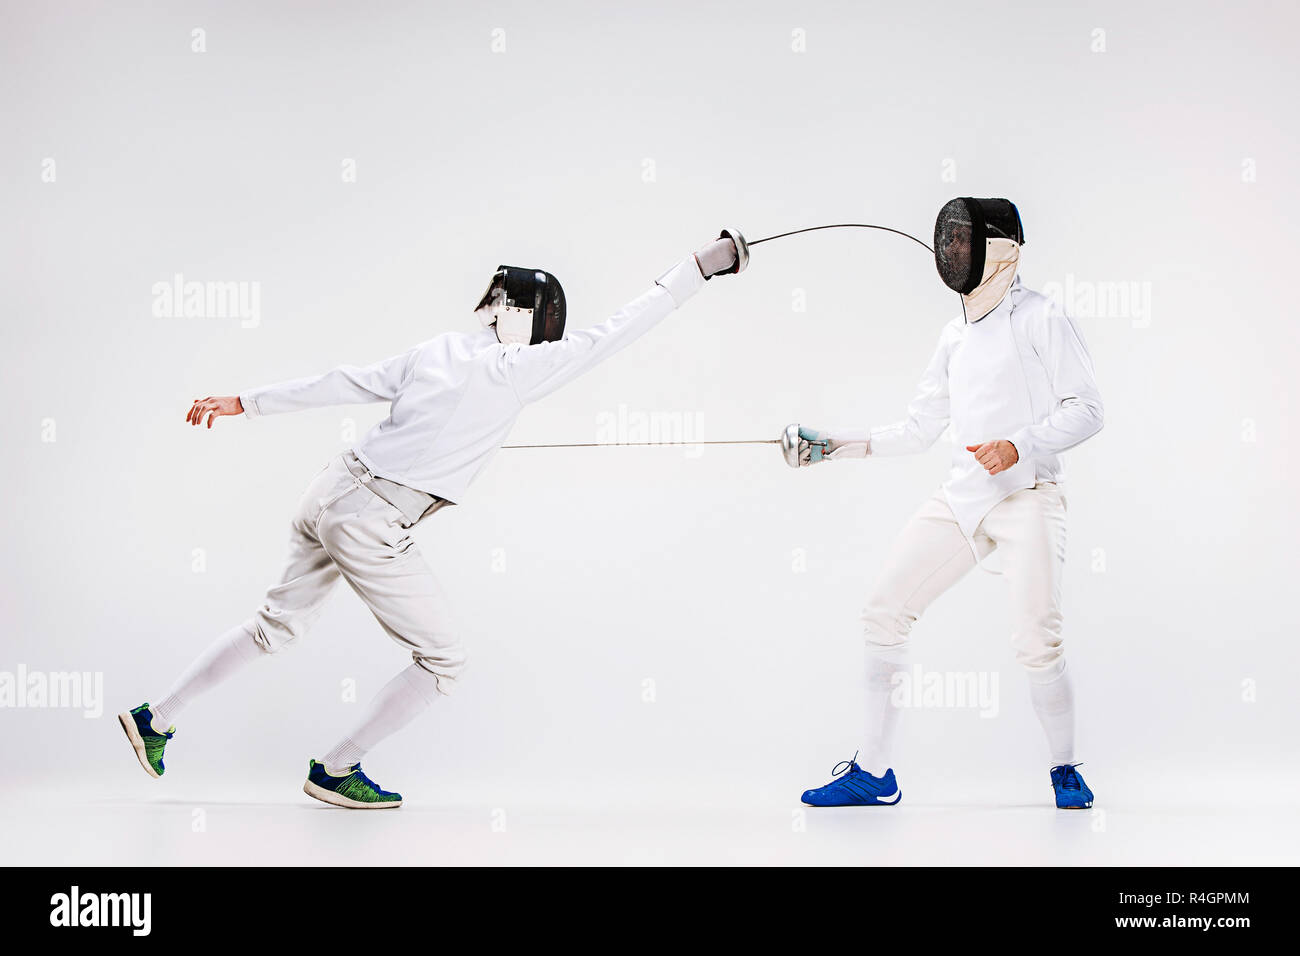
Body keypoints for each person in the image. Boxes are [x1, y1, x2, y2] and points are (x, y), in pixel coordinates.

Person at [118, 234, 741, 809]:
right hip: (370, 521)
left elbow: (345, 382)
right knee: (445, 663)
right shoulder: (515, 369)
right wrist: (700, 267)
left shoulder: (439, 350)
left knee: (274, 628)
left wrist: (245, 403)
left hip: (329, 489)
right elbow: (620, 329)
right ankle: (336, 768)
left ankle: (157, 717)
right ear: (528, 316)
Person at [794, 198, 1104, 809]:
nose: (955, 252)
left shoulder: (1042, 316)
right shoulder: (954, 335)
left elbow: (1089, 408)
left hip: (1028, 497)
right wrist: (833, 446)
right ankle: (875, 773)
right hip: (964, 496)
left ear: (1003, 249)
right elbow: (917, 429)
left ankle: (1065, 769)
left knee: (1037, 641)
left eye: (967, 241)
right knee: (884, 610)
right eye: (952, 241)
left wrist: (1020, 445)